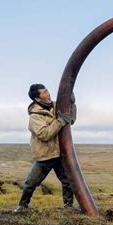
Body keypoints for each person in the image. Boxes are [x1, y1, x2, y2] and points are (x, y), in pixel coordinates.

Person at [13, 83, 76, 213]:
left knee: (68, 181)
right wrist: (59, 121)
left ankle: (68, 206)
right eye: (44, 93)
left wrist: (72, 104)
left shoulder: (57, 106)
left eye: (47, 90)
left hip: (60, 153)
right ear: (37, 99)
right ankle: (22, 207)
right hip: (45, 156)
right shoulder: (34, 116)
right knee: (31, 183)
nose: (48, 94)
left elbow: (71, 119)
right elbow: (45, 134)